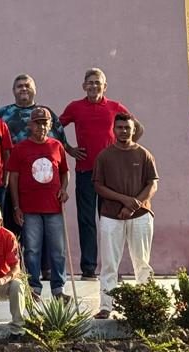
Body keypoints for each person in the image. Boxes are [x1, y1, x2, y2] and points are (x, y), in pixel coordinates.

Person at [58, 67, 131, 280]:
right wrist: (69, 149)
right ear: (83, 86)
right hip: (85, 172)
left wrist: (123, 151)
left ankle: (111, 269)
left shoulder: (114, 107)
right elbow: (55, 128)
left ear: (104, 86)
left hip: (111, 175)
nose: (93, 86)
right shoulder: (75, 107)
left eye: (97, 82)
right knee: (86, 220)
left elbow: (135, 128)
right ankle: (89, 269)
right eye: (89, 82)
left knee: (110, 222)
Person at [94, 113, 158, 319]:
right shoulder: (104, 156)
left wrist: (133, 205)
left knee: (142, 262)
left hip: (140, 216)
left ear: (133, 130)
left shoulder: (144, 154)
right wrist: (124, 200)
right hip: (110, 218)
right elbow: (98, 186)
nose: (123, 131)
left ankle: (146, 304)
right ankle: (106, 306)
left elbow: (152, 184)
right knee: (109, 264)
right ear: (114, 130)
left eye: (127, 128)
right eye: (120, 127)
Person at [7, 107, 70, 300]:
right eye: (38, 123)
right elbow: (14, 179)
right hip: (30, 207)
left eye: (45, 122)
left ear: (50, 125)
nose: (41, 126)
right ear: (30, 125)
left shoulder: (57, 146)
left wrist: (64, 189)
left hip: (54, 207)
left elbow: (64, 172)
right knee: (32, 249)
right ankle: (34, 287)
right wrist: (16, 207)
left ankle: (58, 288)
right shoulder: (20, 148)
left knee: (57, 250)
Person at [0, 74, 65, 238]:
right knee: (13, 226)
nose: (24, 88)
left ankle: (43, 264)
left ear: (34, 89)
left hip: (43, 182)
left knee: (44, 232)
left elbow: (61, 143)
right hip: (13, 177)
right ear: (13, 91)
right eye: (19, 86)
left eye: (27, 85)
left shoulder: (47, 115)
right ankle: (15, 262)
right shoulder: (2, 115)